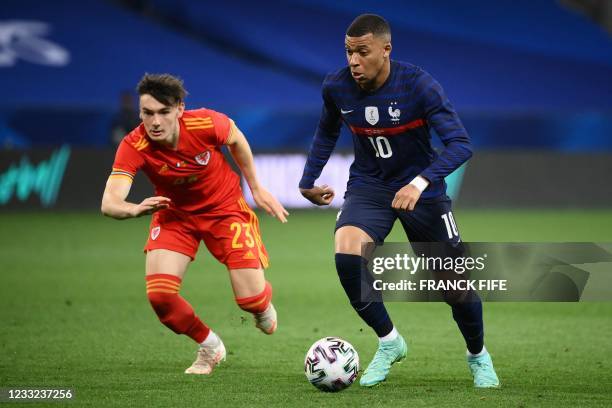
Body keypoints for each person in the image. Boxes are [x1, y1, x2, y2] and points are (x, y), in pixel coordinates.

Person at [299, 14, 499, 388]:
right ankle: (390, 342)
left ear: (386, 50)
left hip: (423, 193)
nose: (353, 61)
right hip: (370, 186)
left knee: (454, 287)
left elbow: (461, 144)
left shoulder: (419, 86)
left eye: (362, 52)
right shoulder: (337, 87)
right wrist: (307, 181)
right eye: (348, 52)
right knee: (346, 250)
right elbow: (326, 131)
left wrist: (420, 182)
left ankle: (478, 355)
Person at [101, 73, 288, 375]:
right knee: (160, 296)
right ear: (140, 113)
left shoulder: (206, 123)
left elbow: (237, 139)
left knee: (250, 300)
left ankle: (262, 306)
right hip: (174, 214)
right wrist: (134, 210)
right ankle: (210, 346)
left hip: (224, 209)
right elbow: (109, 202)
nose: (155, 121)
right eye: (148, 113)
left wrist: (255, 188)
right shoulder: (134, 144)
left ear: (179, 109)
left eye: (163, 112)